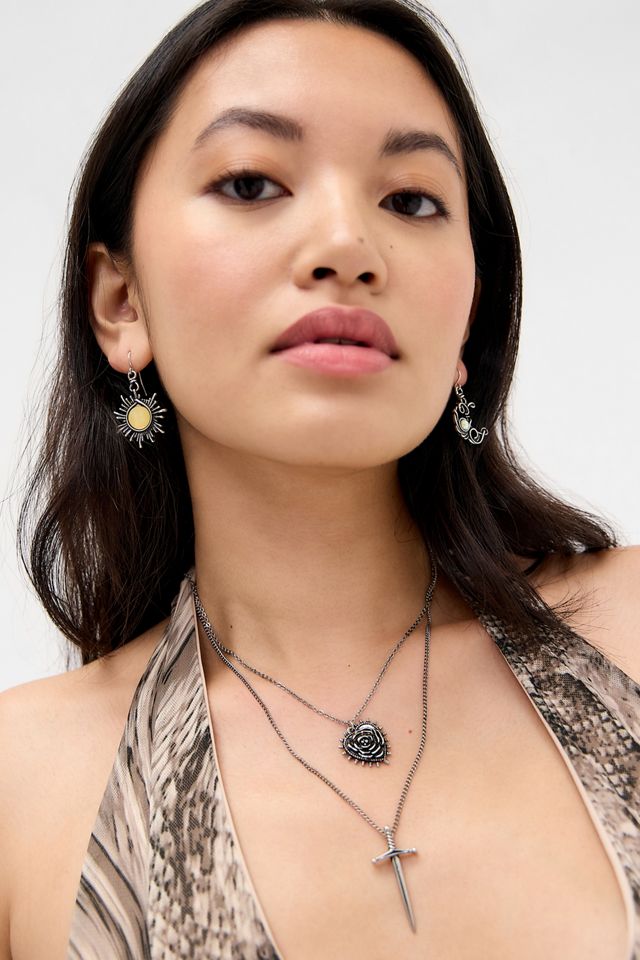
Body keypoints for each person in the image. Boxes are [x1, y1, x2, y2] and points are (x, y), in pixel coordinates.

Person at [1, 0, 638, 957]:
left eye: (411, 200)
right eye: (251, 182)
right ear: (121, 301)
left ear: (469, 318)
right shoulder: (21, 786)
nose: (347, 245)